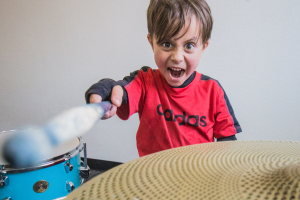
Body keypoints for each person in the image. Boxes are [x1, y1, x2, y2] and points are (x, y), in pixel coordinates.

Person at [85, 0, 242, 157]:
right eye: (167, 44)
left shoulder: (213, 91)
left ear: (203, 48)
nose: (177, 57)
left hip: (199, 178)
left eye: (189, 46)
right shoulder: (144, 82)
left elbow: (227, 142)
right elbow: (120, 89)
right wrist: (106, 90)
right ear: (152, 43)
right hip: (152, 178)